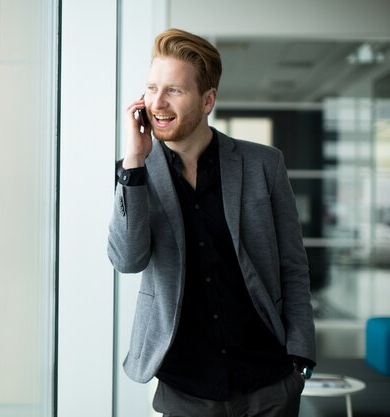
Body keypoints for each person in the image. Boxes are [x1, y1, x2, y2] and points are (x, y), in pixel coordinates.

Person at [108, 28, 316, 417]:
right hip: (186, 385)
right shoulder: (135, 173)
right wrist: (134, 164)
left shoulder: (263, 165)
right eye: (152, 88)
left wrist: (300, 356)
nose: (157, 102)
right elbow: (127, 260)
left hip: (268, 379)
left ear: (207, 100)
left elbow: (293, 264)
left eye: (174, 90)